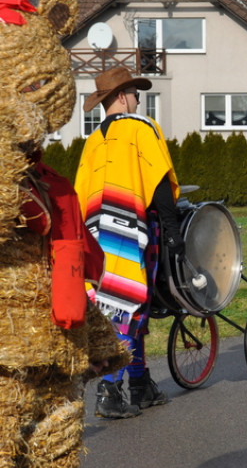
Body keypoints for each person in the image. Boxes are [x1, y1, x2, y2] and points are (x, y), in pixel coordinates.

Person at [75, 66, 184, 419]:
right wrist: (172, 228)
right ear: (122, 96)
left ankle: (139, 383)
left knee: (117, 307)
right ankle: (110, 390)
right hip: (132, 230)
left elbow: (81, 193)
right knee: (130, 305)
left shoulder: (93, 140)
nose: (139, 99)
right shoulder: (142, 128)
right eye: (136, 93)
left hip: (95, 237)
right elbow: (160, 183)